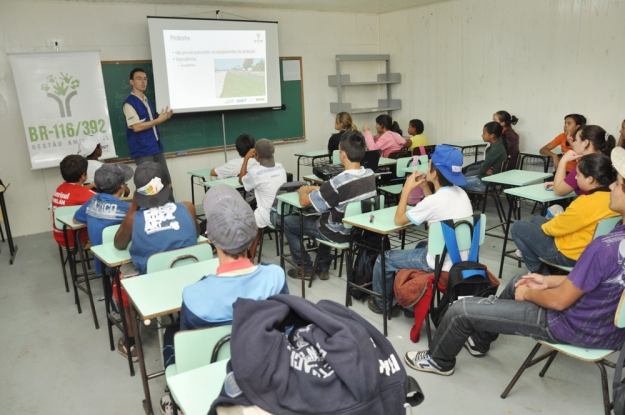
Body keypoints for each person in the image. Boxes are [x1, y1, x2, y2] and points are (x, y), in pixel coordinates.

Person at [404, 146, 625, 377]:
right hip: (606, 327)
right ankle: (479, 341)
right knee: (519, 280)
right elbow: (598, 278)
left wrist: (528, 295)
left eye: (618, 183)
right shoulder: (617, 237)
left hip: (571, 325)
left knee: (460, 310)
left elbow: (559, 302)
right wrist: (547, 281)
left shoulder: (603, 247)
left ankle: (438, 360)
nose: (611, 186)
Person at [159, 184, 288, 415]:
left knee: (171, 334)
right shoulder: (275, 277)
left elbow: (193, 351)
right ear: (252, 235)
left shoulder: (193, 295)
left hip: (216, 383)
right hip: (265, 372)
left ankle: (174, 401)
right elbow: (286, 326)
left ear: (210, 239)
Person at [369, 145, 472, 316]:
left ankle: (383, 303)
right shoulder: (461, 193)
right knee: (421, 244)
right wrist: (425, 188)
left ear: (434, 173)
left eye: (429, 164)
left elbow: (398, 219)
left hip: (440, 263)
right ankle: (413, 301)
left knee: (383, 258)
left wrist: (407, 189)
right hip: (461, 258)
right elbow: (437, 206)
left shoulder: (433, 202)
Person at [113, 161, 199, 362]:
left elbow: (118, 245)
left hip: (154, 289)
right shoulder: (188, 207)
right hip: (192, 281)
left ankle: (132, 342)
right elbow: (195, 234)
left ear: (138, 195)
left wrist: (134, 205)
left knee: (118, 285)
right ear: (169, 187)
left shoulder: (133, 220)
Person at [275, 130, 377, 281]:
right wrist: (321, 189)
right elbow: (340, 193)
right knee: (329, 215)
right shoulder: (369, 174)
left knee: (289, 222)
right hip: (357, 232)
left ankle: (305, 268)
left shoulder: (338, 182)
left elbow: (304, 202)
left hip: (337, 233)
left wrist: (303, 191)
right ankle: (323, 267)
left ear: (342, 153)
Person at [512, 153, 618, 274]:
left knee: (518, 227)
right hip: (592, 250)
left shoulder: (585, 202)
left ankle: (540, 272)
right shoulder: (614, 198)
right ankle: (549, 269)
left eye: (578, 175)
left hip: (570, 254)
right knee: (536, 220)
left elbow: (554, 229)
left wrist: (546, 226)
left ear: (590, 179)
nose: (576, 178)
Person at [73, 163, 134, 278]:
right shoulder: (126, 210)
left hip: (101, 261)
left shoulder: (93, 200)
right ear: (122, 186)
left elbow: (76, 219)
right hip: (123, 261)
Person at [123, 68, 174, 198]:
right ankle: (152, 215)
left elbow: (149, 122)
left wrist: (162, 117)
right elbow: (137, 127)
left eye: (145, 79)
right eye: (139, 78)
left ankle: (173, 213)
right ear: (131, 82)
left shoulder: (147, 100)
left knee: (167, 184)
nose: (143, 82)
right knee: (151, 188)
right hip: (143, 151)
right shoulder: (129, 104)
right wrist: (158, 120)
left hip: (156, 148)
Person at [238, 139, 287, 257]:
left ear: (256, 154)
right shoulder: (280, 166)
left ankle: (248, 253)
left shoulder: (255, 172)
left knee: (249, 214)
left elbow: (241, 181)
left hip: (268, 215)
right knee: (258, 213)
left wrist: (246, 159)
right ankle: (253, 250)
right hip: (283, 211)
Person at [547, 125, 616, 196]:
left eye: (576, 140)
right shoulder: (605, 161)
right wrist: (563, 184)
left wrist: (563, 160)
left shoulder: (586, 166)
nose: (573, 143)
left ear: (585, 143)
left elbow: (558, 191)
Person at [51, 155, 96, 248]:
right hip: (78, 240)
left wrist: (90, 185)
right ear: (83, 175)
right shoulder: (86, 194)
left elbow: (76, 193)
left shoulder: (60, 188)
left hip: (61, 237)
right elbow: (105, 201)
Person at [460, 122, 508, 193]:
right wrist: (485, 167)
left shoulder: (494, 149)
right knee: (460, 180)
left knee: (455, 184)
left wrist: (484, 168)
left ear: (492, 135)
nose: (482, 135)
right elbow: (484, 168)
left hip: (485, 183)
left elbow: (482, 171)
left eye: (484, 133)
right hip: (485, 179)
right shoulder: (498, 146)